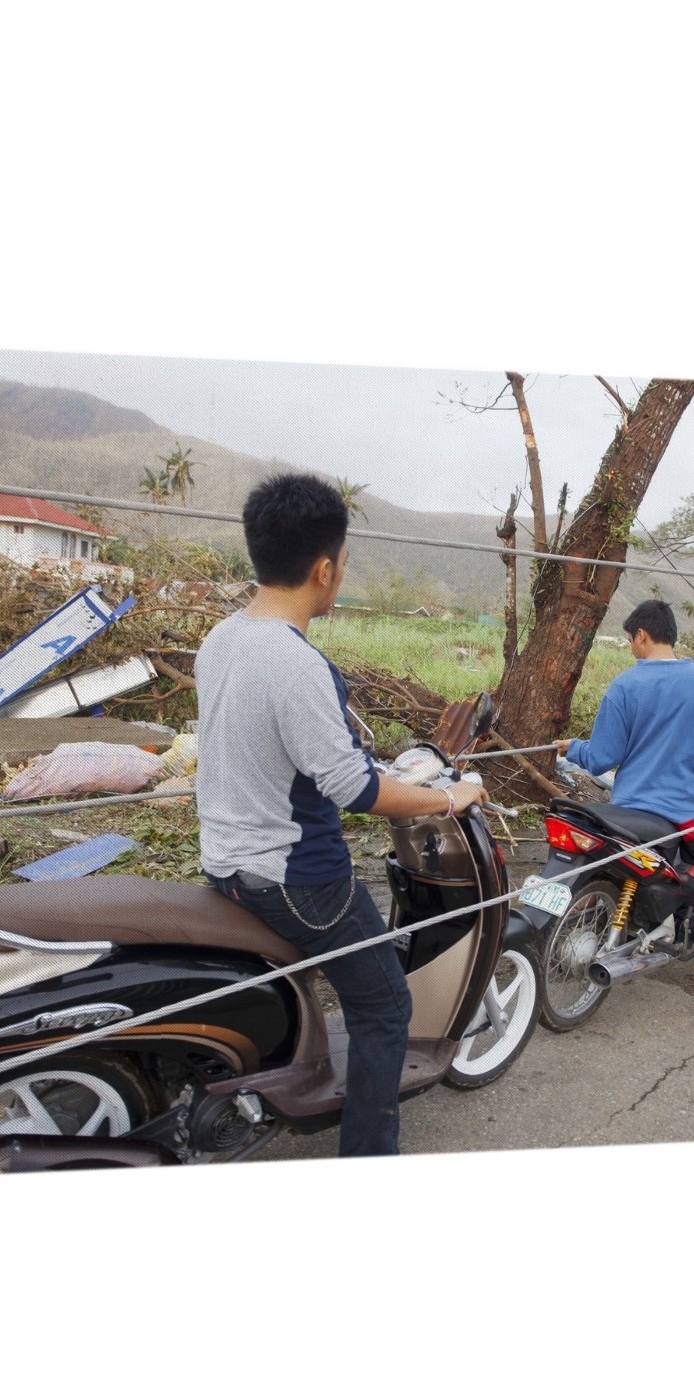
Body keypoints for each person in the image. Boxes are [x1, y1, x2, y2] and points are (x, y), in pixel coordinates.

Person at [193, 473, 488, 1157]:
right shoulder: (297, 664)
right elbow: (356, 789)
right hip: (300, 883)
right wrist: (450, 796)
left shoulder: (222, 638)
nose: (340, 575)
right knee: (386, 1006)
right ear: (325, 567)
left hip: (227, 864)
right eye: (344, 563)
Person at [553, 600, 694, 1022]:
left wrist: (576, 749)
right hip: (685, 811)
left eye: (630, 640)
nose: (630, 648)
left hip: (628, 808)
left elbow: (603, 756)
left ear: (643, 634)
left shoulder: (624, 685)